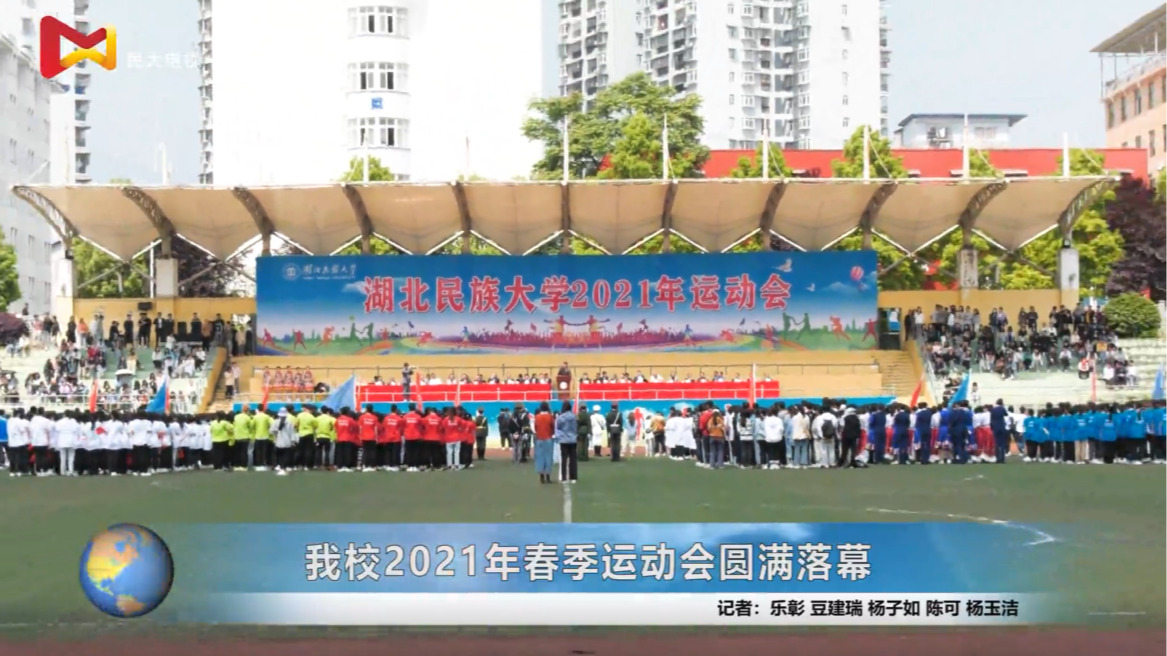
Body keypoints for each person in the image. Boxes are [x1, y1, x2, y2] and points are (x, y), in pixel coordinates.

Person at [555, 401, 578, 483]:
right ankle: (573, 477)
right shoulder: (574, 417)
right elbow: (576, 427)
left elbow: (558, 427)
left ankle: (564, 477)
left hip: (564, 440)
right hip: (573, 439)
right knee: (573, 459)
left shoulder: (560, 417)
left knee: (564, 459)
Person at [533, 401, 555, 483]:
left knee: (540, 457)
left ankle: (541, 476)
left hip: (539, 439)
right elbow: (553, 427)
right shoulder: (550, 416)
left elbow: (535, 427)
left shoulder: (537, 417)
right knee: (548, 457)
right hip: (548, 438)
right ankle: (548, 476)